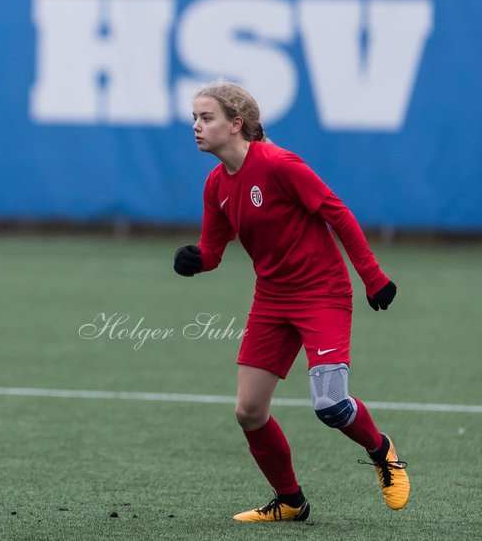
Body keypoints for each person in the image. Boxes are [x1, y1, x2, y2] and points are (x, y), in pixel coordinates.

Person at [174, 80, 409, 522]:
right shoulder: (215, 185)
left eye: (206, 118)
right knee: (248, 411)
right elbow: (213, 251)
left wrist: (373, 278)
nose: (196, 126)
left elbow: (336, 212)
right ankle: (291, 502)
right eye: (194, 118)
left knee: (331, 405)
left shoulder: (280, 165)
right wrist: (195, 260)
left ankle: (382, 452)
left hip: (322, 294)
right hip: (271, 299)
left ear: (236, 124)